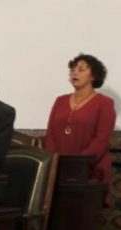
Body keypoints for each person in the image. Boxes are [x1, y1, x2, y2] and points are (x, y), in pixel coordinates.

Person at [45, 53, 116, 204]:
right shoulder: (60, 101)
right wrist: (56, 159)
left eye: (81, 69)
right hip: (58, 170)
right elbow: (50, 133)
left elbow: (102, 139)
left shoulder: (105, 103)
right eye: (72, 70)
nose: (74, 73)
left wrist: (79, 163)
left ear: (93, 76)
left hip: (90, 171)